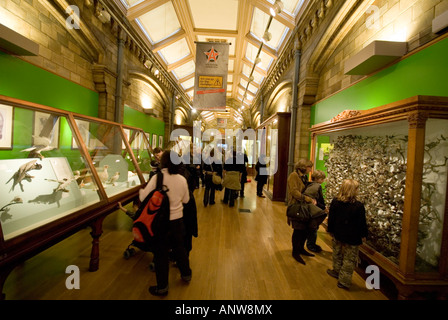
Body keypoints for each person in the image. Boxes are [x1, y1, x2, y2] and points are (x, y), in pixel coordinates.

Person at [139, 150, 192, 296]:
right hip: (177, 221)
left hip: (160, 222)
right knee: (179, 249)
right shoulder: (182, 179)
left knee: (161, 253)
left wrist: (140, 191)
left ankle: (162, 287)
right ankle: (186, 274)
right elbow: (186, 200)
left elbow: (144, 198)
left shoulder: (158, 178)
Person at [327, 179, 368, 290]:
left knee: (337, 253)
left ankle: (336, 271)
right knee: (349, 259)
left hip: (338, 233)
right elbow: (361, 223)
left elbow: (331, 218)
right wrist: (363, 235)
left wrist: (330, 230)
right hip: (352, 236)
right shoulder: (358, 206)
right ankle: (344, 281)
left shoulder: (335, 201)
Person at [287, 159, 316, 265]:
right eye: (309, 167)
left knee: (304, 229)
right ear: (303, 167)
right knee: (298, 230)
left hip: (303, 207)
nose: (310, 169)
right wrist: (307, 198)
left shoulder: (303, 177)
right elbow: (294, 192)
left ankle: (301, 249)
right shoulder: (293, 176)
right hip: (296, 206)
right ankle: (295, 252)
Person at [303, 170, 327, 253]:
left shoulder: (310, 184)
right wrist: (323, 207)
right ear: (318, 179)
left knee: (311, 228)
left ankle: (310, 244)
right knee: (313, 228)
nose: (323, 180)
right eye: (322, 179)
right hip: (313, 211)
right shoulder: (317, 186)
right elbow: (318, 199)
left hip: (309, 209)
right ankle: (311, 245)